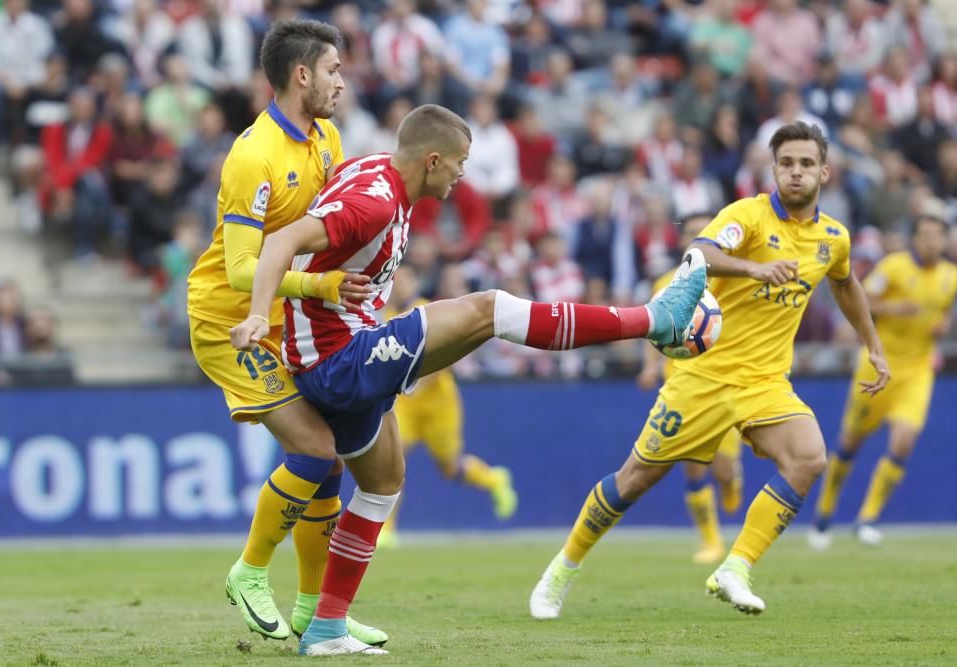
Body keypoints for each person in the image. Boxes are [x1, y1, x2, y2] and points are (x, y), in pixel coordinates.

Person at [229, 103, 708, 655]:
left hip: (340, 352)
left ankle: (327, 629)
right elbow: (279, 241)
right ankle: (652, 320)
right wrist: (261, 314)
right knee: (489, 310)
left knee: (384, 480)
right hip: (334, 360)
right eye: (459, 163)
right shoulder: (376, 199)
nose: (462, 175)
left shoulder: (382, 182)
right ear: (431, 160)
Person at [529, 121, 890, 620]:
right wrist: (753, 268)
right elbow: (698, 252)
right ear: (774, 169)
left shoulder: (833, 238)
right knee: (633, 480)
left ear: (825, 171)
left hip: (765, 382)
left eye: (807, 163)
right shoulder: (748, 217)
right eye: (787, 163)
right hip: (702, 378)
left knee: (809, 459)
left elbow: (846, 283)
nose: (796, 172)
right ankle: (561, 571)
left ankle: (735, 567)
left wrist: (873, 343)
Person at [185, 19, 385, 645]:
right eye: (333, 70)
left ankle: (313, 611)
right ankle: (248, 572)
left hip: (287, 321)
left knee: (327, 466)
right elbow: (245, 270)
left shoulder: (327, 138)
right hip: (230, 323)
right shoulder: (253, 155)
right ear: (302, 74)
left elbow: (334, 230)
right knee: (318, 449)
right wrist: (322, 289)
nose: (341, 83)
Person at [809, 213, 957, 549]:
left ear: (945, 240)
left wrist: (942, 326)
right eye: (926, 234)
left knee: (903, 442)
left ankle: (867, 518)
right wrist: (895, 309)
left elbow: (944, 311)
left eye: (938, 235)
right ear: (915, 238)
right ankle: (823, 515)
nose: (932, 241)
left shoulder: (952, 276)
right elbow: (861, 299)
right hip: (878, 365)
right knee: (850, 444)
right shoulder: (893, 267)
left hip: (918, 371)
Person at [378, 263, 518, 550]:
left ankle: (493, 480)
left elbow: (445, 357)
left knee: (450, 467)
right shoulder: (382, 316)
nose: (400, 284)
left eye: (405, 278)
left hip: (439, 403)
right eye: (396, 279)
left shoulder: (424, 311)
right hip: (404, 404)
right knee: (393, 462)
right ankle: (386, 529)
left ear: (415, 282)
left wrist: (417, 385)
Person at [636, 213, 744, 564]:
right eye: (694, 234)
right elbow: (650, 328)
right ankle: (711, 540)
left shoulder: (732, 282)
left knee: (722, 468)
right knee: (693, 467)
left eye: (706, 232)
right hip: (683, 384)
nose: (699, 238)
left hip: (724, 384)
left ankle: (730, 481)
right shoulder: (669, 283)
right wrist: (650, 367)